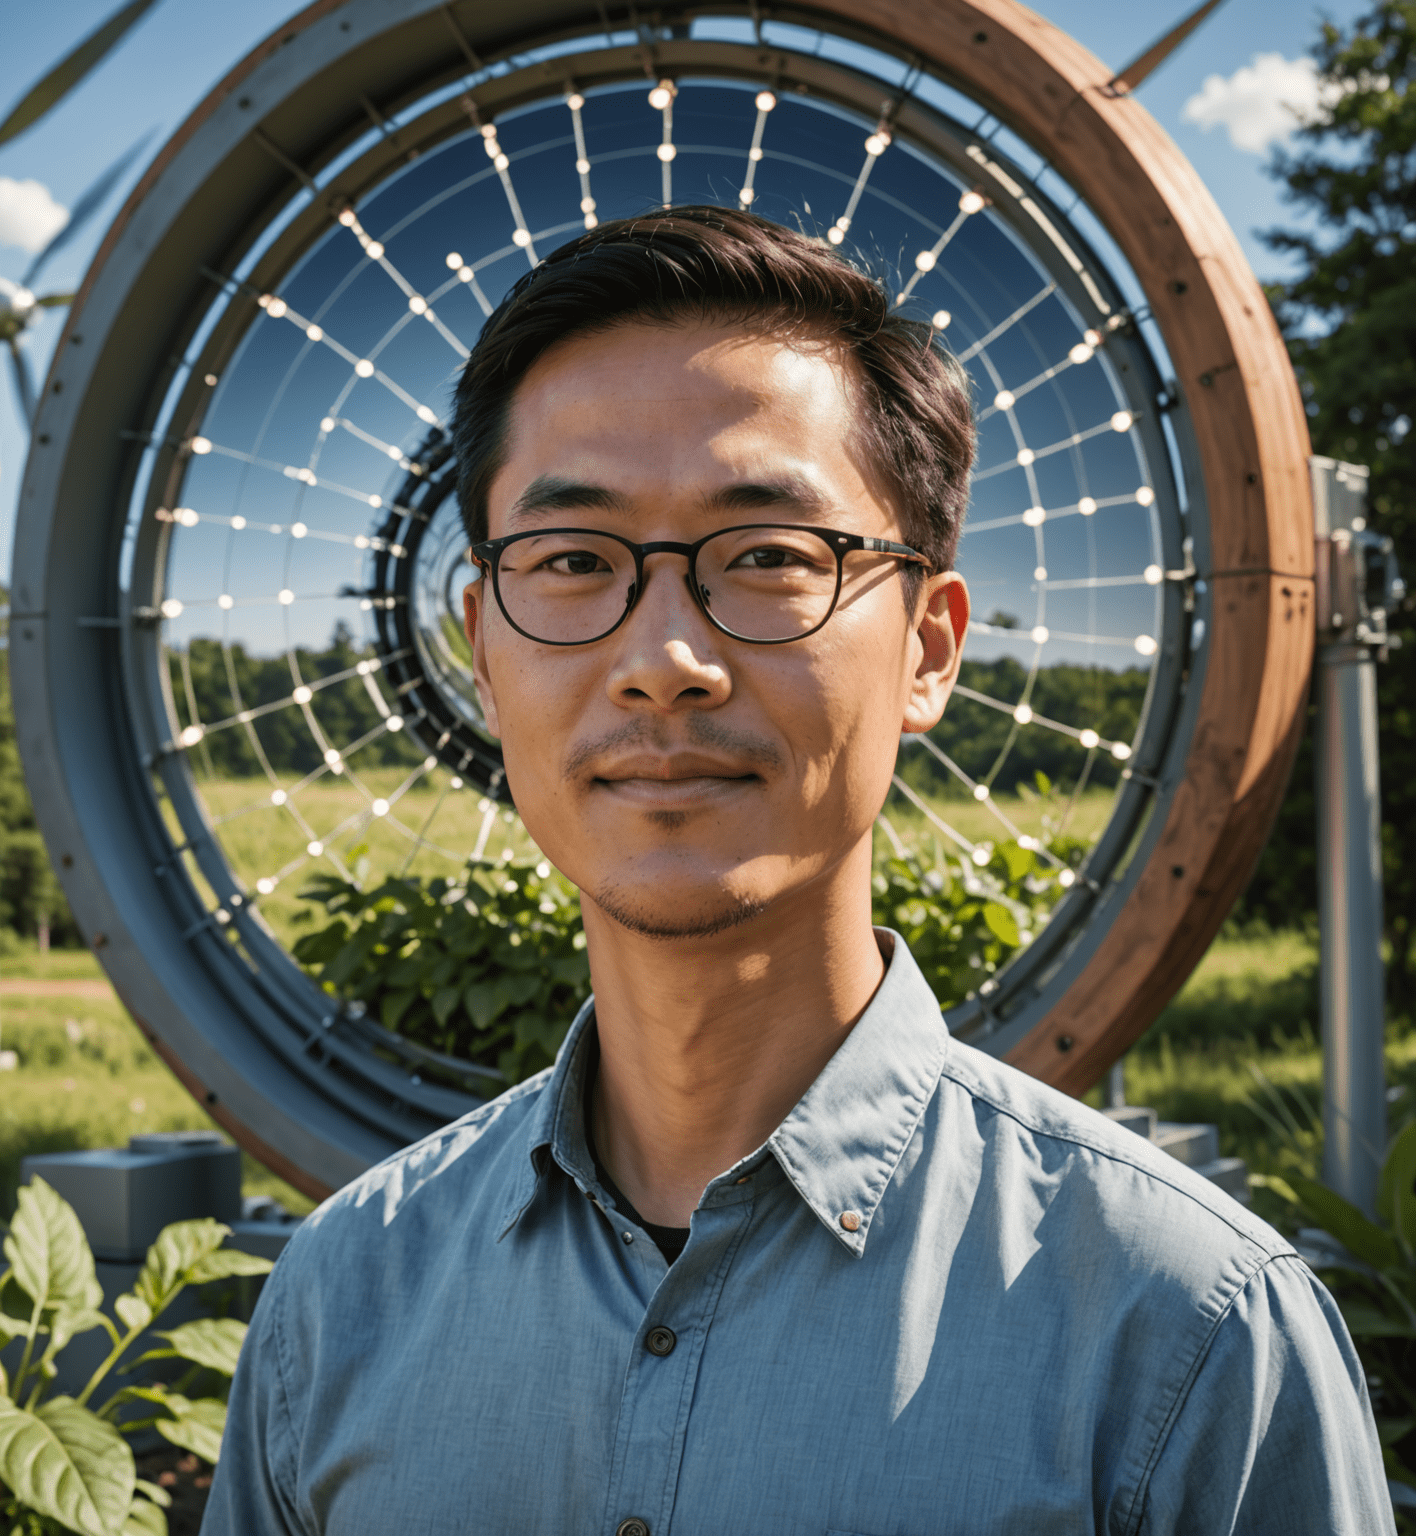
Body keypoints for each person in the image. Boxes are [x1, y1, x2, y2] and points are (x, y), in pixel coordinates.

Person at [203, 206, 1390, 1534]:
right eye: (575, 561)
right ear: (482, 647)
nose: (664, 658)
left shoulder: (1182, 1335)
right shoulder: (339, 1307)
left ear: (931, 646)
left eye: (769, 558)